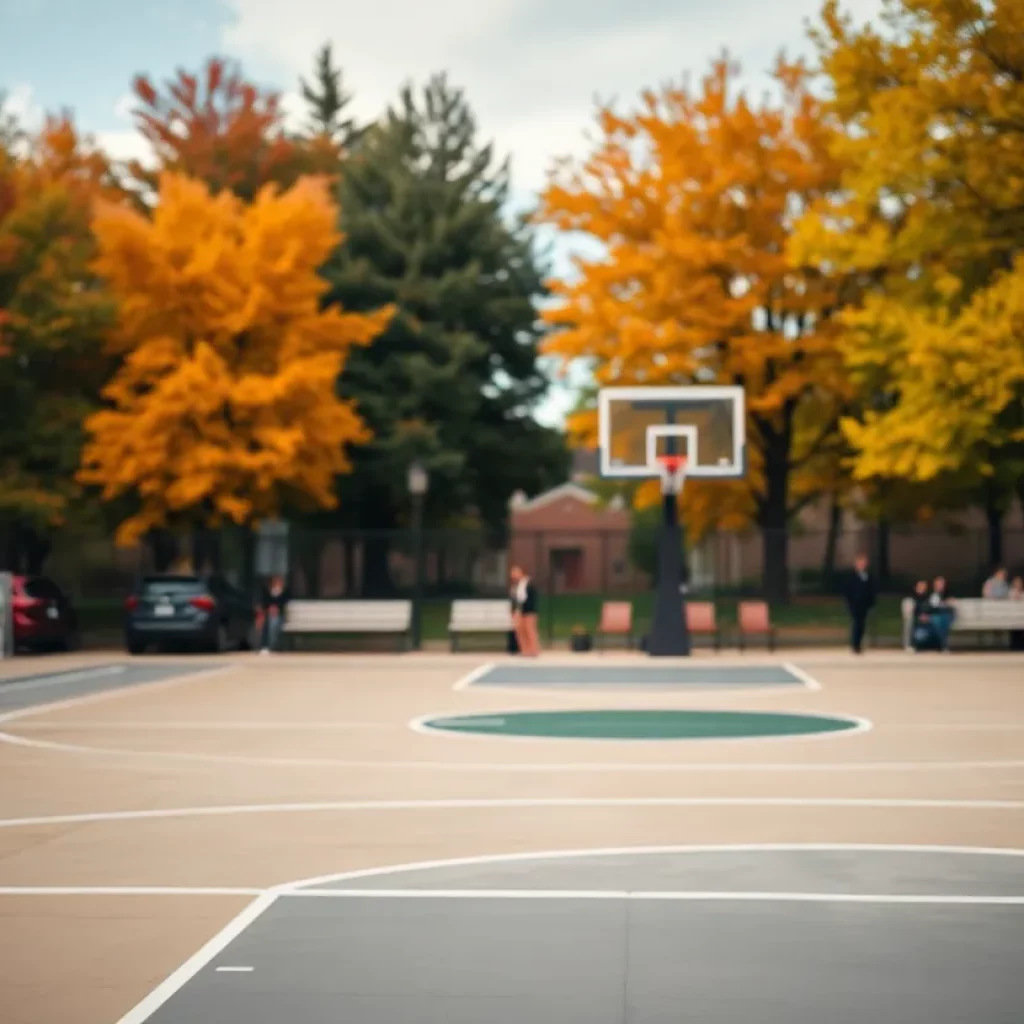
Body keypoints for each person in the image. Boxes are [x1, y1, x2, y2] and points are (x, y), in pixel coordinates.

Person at [843, 553, 876, 654]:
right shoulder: (851, 577)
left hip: (865, 604)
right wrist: (850, 603)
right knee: (856, 624)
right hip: (855, 604)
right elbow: (848, 591)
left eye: (864, 563)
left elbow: (871, 590)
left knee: (862, 624)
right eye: (860, 563)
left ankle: (859, 643)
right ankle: (855, 644)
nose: (862, 565)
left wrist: (871, 602)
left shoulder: (868, 576)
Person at [510, 565, 540, 657]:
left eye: (515, 573)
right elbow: (514, 599)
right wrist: (514, 611)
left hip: (529, 611)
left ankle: (534, 650)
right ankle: (525, 650)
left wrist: (526, 608)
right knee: (520, 631)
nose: (514, 575)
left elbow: (531, 598)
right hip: (518, 612)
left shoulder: (529, 584)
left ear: (521, 573)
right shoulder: (515, 586)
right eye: (512, 574)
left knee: (530, 631)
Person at [258, 574, 290, 654]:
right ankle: (266, 646)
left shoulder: (285, 592)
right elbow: (265, 603)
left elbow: (284, 604)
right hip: (268, 614)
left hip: (280, 616)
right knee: (268, 622)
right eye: (276, 581)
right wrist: (270, 608)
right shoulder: (267, 592)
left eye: (279, 581)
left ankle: (272, 646)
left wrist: (277, 609)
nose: (278, 583)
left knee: (274, 622)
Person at [927, 575, 956, 652]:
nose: (940, 585)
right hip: (935, 614)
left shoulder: (948, 592)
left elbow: (951, 604)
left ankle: (942, 645)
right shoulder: (931, 594)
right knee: (937, 620)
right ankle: (943, 644)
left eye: (941, 583)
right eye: (938, 584)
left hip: (946, 614)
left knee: (944, 620)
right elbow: (931, 607)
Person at [908, 579, 938, 652]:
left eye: (924, 586)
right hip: (917, 618)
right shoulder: (912, 598)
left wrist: (928, 616)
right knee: (917, 627)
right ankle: (913, 644)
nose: (922, 588)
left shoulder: (928, 598)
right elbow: (913, 610)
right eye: (920, 586)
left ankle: (934, 645)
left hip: (928, 618)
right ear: (916, 587)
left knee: (936, 621)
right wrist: (920, 616)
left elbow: (932, 609)